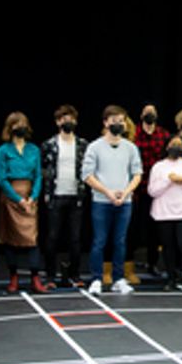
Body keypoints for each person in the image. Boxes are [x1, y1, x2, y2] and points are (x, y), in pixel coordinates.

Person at [82, 105, 142, 295]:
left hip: (124, 202)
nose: (118, 124)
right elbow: (87, 175)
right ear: (106, 122)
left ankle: (118, 279)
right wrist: (107, 192)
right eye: (114, 120)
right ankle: (96, 279)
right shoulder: (95, 147)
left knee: (120, 241)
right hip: (101, 202)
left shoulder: (130, 148)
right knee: (100, 241)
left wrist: (125, 193)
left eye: (121, 121)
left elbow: (137, 174)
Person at [0, 112, 46, 293]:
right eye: (17, 124)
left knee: (31, 239)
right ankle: (13, 277)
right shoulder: (3, 150)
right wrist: (17, 199)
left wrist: (32, 197)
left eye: (23, 124)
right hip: (11, 196)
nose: (21, 127)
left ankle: (35, 277)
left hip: (30, 196)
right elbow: (1, 178)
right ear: (10, 128)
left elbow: (38, 175)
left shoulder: (33, 149)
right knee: (11, 240)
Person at [40, 105, 88, 288]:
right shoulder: (49, 144)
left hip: (76, 195)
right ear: (57, 122)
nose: (67, 122)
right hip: (56, 196)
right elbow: (43, 169)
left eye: (71, 118)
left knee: (75, 238)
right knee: (52, 236)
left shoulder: (83, 144)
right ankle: (50, 275)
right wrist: (47, 190)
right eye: (63, 118)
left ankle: (74, 275)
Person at [148, 136, 182, 292]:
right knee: (168, 247)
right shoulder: (158, 167)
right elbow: (152, 191)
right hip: (163, 213)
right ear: (166, 147)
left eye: (179, 145)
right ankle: (171, 278)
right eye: (173, 144)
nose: (176, 147)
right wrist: (168, 181)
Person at [130, 103, 170, 283]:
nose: (150, 115)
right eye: (146, 112)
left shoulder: (163, 134)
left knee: (156, 229)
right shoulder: (134, 134)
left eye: (152, 113)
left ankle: (153, 263)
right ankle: (129, 264)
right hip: (137, 188)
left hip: (159, 189)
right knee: (134, 227)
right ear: (141, 115)